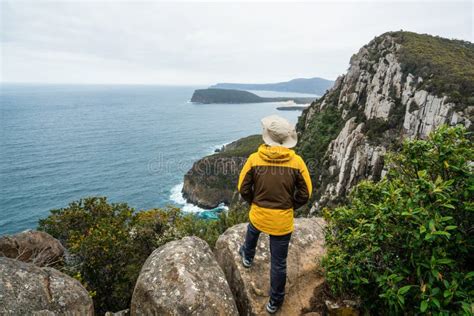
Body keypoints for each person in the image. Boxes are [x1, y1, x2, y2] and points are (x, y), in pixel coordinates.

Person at [237, 115, 312, 314]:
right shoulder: (297, 162)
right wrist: (290, 205)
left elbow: (242, 187)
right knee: (278, 263)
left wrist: (254, 202)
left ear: (267, 137)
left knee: (252, 231)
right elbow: (306, 193)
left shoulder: (254, 159)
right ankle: (275, 302)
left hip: (259, 214)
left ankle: (247, 256)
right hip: (282, 221)